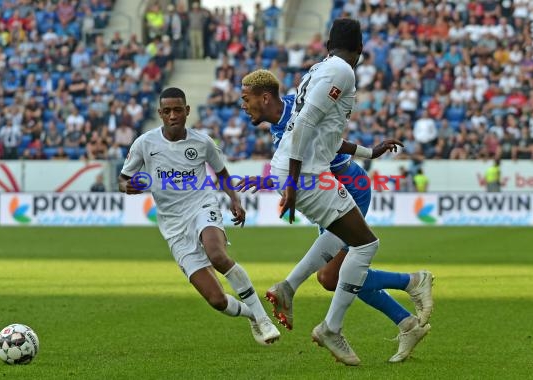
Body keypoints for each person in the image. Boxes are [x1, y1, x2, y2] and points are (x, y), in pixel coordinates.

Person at [237, 69, 433, 363]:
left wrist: (369, 152)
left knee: (336, 273)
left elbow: (329, 143)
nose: (242, 105)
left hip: (348, 186)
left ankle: (411, 284)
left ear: (265, 98)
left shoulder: (296, 111)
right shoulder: (279, 125)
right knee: (340, 276)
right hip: (325, 188)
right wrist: (269, 182)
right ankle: (407, 319)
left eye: (245, 98)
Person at [118, 87, 280, 346]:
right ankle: (251, 315)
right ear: (160, 113)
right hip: (173, 226)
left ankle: (264, 319)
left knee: (217, 255)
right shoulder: (144, 144)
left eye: (178, 110)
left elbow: (223, 174)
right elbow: (123, 179)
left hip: (201, 205)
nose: (173, 115)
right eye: (167, 111)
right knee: (217, 300)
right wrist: (127, 186)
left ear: (187, 111)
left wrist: (235, 199)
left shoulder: (202, 142)